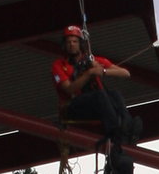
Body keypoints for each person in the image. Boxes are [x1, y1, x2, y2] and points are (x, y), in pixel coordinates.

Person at [53, 26, 141, 156]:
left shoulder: (92, 61)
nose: (71, 44)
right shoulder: (59, 65)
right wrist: (89, 73)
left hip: (94, 106)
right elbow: (69, 89)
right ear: (64, 45)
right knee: (100, 95)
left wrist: (103, 71)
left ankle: (127, 125)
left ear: (80, 44)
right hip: (73, 107)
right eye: (68, 42)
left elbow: (125, 73)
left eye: (75, 41)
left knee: (115, 94)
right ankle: (115, 132)